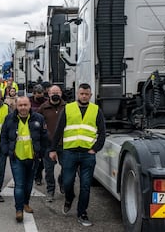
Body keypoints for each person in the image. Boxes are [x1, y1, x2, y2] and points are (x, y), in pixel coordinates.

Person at [49, 83, 106, 227]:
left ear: (90, 95)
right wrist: (53, 149)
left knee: (86, 186)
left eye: (87, 94)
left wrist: (95, 149)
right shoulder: (68, 108)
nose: (84, 96)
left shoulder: (96, 110)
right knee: (68, 182)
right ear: (77, 94)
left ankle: (82, 213)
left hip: (88, 154)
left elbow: (102, 132)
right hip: (70, 153)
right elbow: (58, 130)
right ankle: (69, 198)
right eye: (81, 94)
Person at [1, 96, 47, 223]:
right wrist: (6, 151)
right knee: (19, 185)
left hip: (33, 158)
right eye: (20, 105)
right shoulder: (9, 119)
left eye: (25, 105)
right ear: (16, 106)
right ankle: (19, 209)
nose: (23, 108)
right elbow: (3, 136)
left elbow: (44, 137)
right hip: (17, 158)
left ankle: (26, 203)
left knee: (28, 184)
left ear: (29, 105)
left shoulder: (39, 119)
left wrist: (41, 153)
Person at [37, 85, 66, 202]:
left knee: (67, 168)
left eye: (58, 92)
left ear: (61, 94)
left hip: (65, 144)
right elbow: (37, 124)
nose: (55, 94)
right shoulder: (43, 108)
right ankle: (50, 191)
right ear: (48, 94)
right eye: (53, 92)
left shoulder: (68, 107)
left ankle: (62, 181)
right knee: (49, 170)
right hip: (48, 145)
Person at [29, 84, 48, 185]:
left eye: (41, 93)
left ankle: (38, 174)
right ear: (34, 94)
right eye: (38, 94)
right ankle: (35, 175)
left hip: (43, 132)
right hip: (31, 132)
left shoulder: (46, 101)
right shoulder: (29, 101)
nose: (40, 96)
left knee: (42, 156)